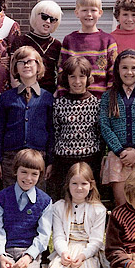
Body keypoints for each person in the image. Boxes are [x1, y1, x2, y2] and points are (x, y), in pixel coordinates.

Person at [0, 47, 54, 190]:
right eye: (21, 62)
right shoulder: (6, 97)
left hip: (38, 157)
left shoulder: (48, 98)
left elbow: (51, 131)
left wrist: (50, 161)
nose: (26, 65)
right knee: (10, 197)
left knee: (37, 198)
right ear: (15, 68)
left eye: (30, 61)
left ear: (38, 66)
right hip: (11, 158)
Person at [0, 149, 53, 268]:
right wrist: (1, 255)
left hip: (29, 250)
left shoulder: (44, 201)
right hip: (6, 250)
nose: (28, 178)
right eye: (24, 172)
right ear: (15, 171)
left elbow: (44, 234)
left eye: (34, 174)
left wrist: (29, 256)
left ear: (39, 175)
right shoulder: (3, 197)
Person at [100, 49, 135, 208]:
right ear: (118, 70)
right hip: (117, 157)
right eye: (124, 68)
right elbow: (105, 126)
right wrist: (120, 151)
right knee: (121, 203)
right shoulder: (109, 96)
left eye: (134, 68)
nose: (129, 72)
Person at [49, 56, 101, 200]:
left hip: (89, 161)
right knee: (64, 201)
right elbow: (56, 132)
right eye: (73, 76)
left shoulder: (96, 104)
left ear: (88, 78)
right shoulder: (58, 104)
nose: (77, 82)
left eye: (81, 76)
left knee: (88, 201)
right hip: (64, 163)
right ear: (66, 78)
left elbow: (98, 134)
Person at [47, 162, 108, 268]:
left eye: (84, 184)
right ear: (68, 185)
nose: (79, 188)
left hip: (87, 250)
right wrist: (64, 253)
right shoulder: (59, 207)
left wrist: (82, 256)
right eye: (74, 183)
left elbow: (96, 241)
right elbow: (58, 236)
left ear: (91, 185)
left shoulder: (98, 210)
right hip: (67, 247)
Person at [58, 0, 118, 99]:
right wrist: (62, 94)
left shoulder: (108, 40)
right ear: (77, 13)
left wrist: (110, 99)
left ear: (100, 13)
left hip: (101, 99)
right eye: (84, 10)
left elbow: (113, 72)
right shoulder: (69, 40)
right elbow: (62, 70)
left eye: (93, 10)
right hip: (73, 99)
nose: (89, 14)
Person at [9, 0, 63, 95]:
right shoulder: (21, 41)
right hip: (24, 93)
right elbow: (13, 71)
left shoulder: (57, 45)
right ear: (34, 16)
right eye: (44, 17)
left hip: (48, 95)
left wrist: (55, 94)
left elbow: (60, 73)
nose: (48, 21)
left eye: (52, 19)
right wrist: (20, 92)